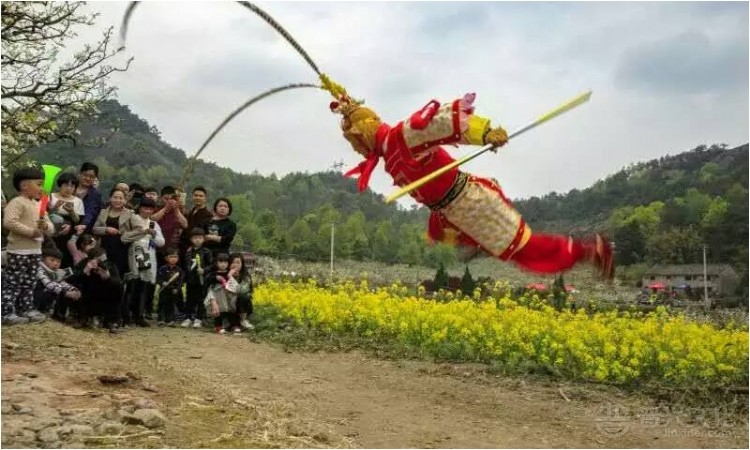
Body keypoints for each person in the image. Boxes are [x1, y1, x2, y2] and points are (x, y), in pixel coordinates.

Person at [319, 76, 614, 279]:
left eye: (356, 140)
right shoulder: (389, 156)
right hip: (449, 212)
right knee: (452, 235)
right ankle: (471, 241)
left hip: (470, 202)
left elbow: (441, 124)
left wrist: (485, 133)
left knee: (522, 249)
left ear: (365, 132)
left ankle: (588, 250)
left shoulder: (403, 136)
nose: (356, 148)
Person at [1, 167, 56, 325]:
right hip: (18, 251)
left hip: (35, 251)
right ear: (24, 185)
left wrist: (46, 226)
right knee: (13, 282)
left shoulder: (39, 205)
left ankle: (25, 309)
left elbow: (51, 228)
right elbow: (9, 222)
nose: (42, 188)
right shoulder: (17, 202)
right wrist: (31, 232)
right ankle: (6, 312)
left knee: (29, 282)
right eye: (39, 184)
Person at [121, 198, 164, 326]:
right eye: (145, 208)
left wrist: (154, 235)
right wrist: (142, 233)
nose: (148, 211)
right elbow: (125, 236)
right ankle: (126, 315)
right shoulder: (133, 219)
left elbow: (161, 242)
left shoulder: (153, 224)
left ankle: (139, 315)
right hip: (134, 253)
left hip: (148, 256)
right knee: (131, 285)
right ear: (140, 208)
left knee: (143, 286)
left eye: (150, 209)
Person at [69, 247, 124, 333]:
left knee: (118, 288)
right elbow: (71, 279)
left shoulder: (110, 265)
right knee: (76, 288)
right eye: (99, 260)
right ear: (90, 259)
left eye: (104, 260)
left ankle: (112, 322)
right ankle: (82, 318)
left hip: (105, 295)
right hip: (88, 294)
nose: (101, 263)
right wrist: (84, 272)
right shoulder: (84, 263)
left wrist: (108, 278)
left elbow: (119, 283)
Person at [92, 188, 134, 281]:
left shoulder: (130, 213)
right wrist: (106, 229)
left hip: (122, 249)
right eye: (115, 197)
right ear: (110, 198)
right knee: (102, 276)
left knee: (118, 277)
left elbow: (136, 231)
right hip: (104, 249)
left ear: (125, 200)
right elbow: (94, 229)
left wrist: (126, 235)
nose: (118, 200)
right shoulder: (103, 212)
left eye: (121, 198)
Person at [49, 172, 85, 268]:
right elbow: (42, 214)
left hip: (69, 237)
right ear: (60, 185)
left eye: (72, 186)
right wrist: (54, 207)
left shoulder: (78, 201)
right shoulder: (50, 197)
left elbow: (79, 221)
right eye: (66, 185)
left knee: (65, 261)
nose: (68, 188)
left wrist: (71, 212)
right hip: (51, 234)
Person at [33, 246, 81, 316]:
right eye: (52, 260)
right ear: (42, 259)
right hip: (34, 297)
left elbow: (60, 282)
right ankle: (38, 309)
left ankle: (57, 313)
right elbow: (48, 284)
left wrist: (72, 289)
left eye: (58, 262)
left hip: (44, 297)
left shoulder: (55, 272)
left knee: (60, 289)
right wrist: (65, 293)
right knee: (54, 289)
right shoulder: (39, 269)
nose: (56, 263)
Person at [182, 227, 212, 328]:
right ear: (191, 239)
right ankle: (188, 317)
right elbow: (185, 266)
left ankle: (199, 318)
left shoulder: (206, 251)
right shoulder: (188, 251)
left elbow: (211, 265)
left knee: (201, 299)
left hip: (201, 280)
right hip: (190, 279)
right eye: (195, 238)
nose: (197, 240)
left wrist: (204, 270)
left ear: (203, 239)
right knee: (189, 299)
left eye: (200, 238)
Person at [204, 253, 241, 334]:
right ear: (216, 263)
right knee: (219, 311)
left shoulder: (229, 273)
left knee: (232, 310)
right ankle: (218, 326)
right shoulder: (214, 273)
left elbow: (235, 284)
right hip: (218, 295)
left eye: (225, 262)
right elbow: (208, 281)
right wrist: (216, 278)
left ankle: (235, 325)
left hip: (228, 295)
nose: (223, 264)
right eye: (221, 262)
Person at [152, 185, 187, 267]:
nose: (168, 201)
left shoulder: (178, 211)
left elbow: (185, 225)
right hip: (157, 248)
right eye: (166, 199)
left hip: (173, 250)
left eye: (170, 199)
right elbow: (152, 220)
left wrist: (176, 209)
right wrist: (165, 208)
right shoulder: (156, 209)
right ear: (161, 198)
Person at [179, 186, 213, 257]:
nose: (198, 198)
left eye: (201, 196)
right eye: (196, 195)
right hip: (183, 248)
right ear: (192, 197)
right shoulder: (191, 212)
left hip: (196, 251)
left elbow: (205, 234)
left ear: (205, 198)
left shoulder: (208, 215)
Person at [155, 247, 184, 326]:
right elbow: (158, 278)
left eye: (175, 257)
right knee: (162, 304)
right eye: (171, 257)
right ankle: (160, 319)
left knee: (170, 305)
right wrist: (162, 283)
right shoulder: (162, 269)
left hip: (173, 291)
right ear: (166, 258)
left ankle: (169, 320)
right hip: (164, 290)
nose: (173, 259)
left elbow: (180, 281)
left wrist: (177, 289)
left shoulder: (179, 270)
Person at [228, 252, 254, 330]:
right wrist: (229, 276)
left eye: (238, 262)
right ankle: (230, 323)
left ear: (242, 264)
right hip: (227, 302)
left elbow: (242, 290)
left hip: (240, 303)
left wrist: (230, 277)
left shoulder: (245, 275)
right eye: (233, 262)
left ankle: (243, 320)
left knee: (244, 296)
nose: (235, 265)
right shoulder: (223, 273)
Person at [75, 162, 103, 234]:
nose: (88, 178)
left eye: (91, 177)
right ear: (80, 174)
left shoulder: (95, 194)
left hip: (83, 228)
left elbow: (91, 212)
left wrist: (84, 224)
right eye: (85, 175)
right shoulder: (71, 187)